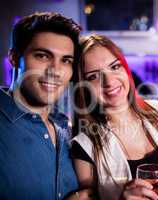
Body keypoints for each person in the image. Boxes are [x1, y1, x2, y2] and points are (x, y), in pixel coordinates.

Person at [71, 34, 158, 200]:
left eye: (115, 67)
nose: (109, 81)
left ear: (126, 69)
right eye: (94, 76)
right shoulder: (83, 147)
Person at [0, 12, 85, 200]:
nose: (55, 71)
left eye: (66, 60)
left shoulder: (65, 127)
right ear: (14, 57)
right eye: (42, 56)